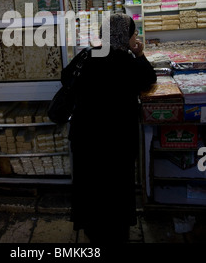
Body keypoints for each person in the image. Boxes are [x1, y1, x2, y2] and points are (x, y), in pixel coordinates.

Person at [62, 13, 156, 243]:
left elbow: (65, 77)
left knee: (91, 185)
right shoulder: (126, 61)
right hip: (117, 141)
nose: (135, 37)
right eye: (133, 33)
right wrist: (139, 54)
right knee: (116, 189)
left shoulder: (88, 54)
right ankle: (116, 232)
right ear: (124, 36)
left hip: (86, 137)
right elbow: (149, 80)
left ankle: (93, 231)